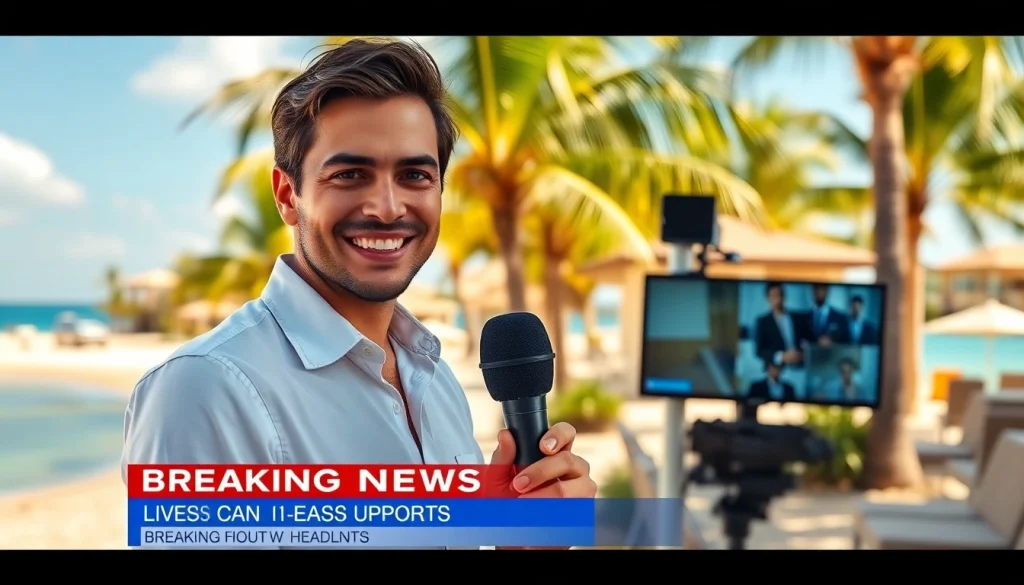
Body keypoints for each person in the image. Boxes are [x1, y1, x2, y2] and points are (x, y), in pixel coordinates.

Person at [120, 39, 596, 548]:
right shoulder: (205, 390)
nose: (388, 207)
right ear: (288, 196)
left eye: (415, 174)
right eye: (350, 174)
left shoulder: (434, 380)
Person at [753, 282, 813, 368]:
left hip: (801, 368)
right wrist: (781, 356)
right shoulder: (762, 322)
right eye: (774, 296)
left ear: (784, 296)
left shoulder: (800, 318)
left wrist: (803, 352)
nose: (777, 299)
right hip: (777, 370)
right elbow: (760, 351)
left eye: (780, 295)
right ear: (767, 298)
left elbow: (811, 340)